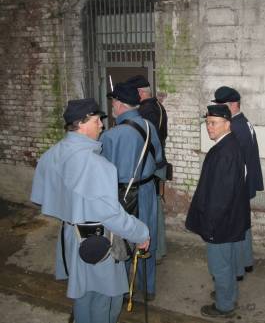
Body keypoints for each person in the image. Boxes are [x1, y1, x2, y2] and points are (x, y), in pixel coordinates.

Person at [30, 98, 150, 323]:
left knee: (83, 294)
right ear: (82, 123)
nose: (102, 125)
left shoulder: (52, 154)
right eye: (97, 121)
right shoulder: (97, 165)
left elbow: (40, 196)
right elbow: (111, 215)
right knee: (107, 299)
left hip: (70, 237)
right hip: (98, 241)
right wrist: (141, 232)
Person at [185, 104, 250, 318]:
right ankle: (228, 294)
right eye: (207, 123)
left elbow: (220, 196)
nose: (209, 127)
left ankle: (224, 306)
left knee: (219, 265)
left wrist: (210, 225)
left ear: (227, 124)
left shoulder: (225, 152)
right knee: (227, 261)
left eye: (213, 123)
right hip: (230, 219)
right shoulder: (229, 145)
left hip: (220, 222)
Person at [100, 83, 163, 301]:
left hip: (124, 195)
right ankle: (148, 288)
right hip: (147, 190)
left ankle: (125, 289)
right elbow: (158, 159)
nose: (112, 108)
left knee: (124, 240)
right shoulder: (149, 126)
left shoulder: (111, 136)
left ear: (119, 104)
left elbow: (102, 173)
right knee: (146, 236)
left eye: (113, 103)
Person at [212, 86, 264, 279]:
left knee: (234, 227)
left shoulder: (235, 126)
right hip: (245, 182)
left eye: (221, 105)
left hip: (238, 186)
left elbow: (235, 163)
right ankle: (246, 261)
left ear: (233, 104)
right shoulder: (243, 122)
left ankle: (237, 269)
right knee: (243, 224)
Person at [126, 75, 168, 262]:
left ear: (140, 93)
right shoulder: (158, 106)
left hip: (151, 166)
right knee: (155, 206)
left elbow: (144, 142)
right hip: (158, 163)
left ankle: (155, 250)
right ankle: (159, 249)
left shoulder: (145, 111)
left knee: (151, 209)